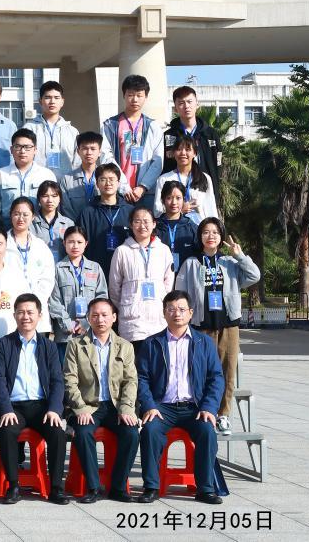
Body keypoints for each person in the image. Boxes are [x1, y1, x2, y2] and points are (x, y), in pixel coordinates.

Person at [136, 290, 229, 505]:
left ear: (190, 313)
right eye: (171, 309)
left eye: (181, 309)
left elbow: (216, 378)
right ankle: (151, 487)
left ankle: (205, 489)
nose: (176, 314)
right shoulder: (152, 343)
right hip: (163, 407)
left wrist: (209, 407)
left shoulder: (204, 342)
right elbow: (141, 378)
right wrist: (149, 405)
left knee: (207, 431)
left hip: (194, 407)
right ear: (164, 313)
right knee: (150, 431)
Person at [176, 218, 261, 434]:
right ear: (200, 236)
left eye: (215, 232)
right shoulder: (191, 263)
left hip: (228, 324)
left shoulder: (230, 262)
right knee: (200, 371)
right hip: (200, 326)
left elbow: (254, 276)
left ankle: (223, 415)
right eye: (206, 232)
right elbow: (180, 293)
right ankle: (204, 412)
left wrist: (240, 255)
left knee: (227, 369)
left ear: (221, 236)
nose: (211, 236)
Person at [0, 294, 70, 505]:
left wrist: (54, 409)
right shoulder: (3, 345)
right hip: (14, 407)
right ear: (14, 315)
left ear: (39, 315)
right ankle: (13, 486)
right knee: (6, 431)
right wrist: (5, 409)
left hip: (42, 407)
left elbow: (57, 381)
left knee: (57, 433)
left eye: (30, 312)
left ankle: (56, 488)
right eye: (21, 312)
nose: (26, 317)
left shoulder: (48, 346)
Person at [63, 297, 139, 504]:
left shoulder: (125, 346)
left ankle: (118, 487)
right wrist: (80, 408)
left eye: (105, 315)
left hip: (116, 406)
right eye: (95, 315)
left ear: (114, 317)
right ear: (88, 318)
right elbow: (70, 380)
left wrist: (126, 409)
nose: (100, 319)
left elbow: (131, 381)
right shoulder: (76, 345)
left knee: (131, 434)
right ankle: (93, 487)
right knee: (83, 432)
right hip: (88, 406)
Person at [108, 206, 175, 351]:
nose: (142, 226)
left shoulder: (163, 250)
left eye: (146, 221)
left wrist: (161, 302)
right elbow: (114, 287)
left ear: (154, 224)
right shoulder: (122, 251)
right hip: (133, 322)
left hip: (158, 320)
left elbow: (168, 282)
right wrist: (127, 306)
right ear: (131, 225)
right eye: (137, 221)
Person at [99, 74, 164, 205]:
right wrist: (124, 187)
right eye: (130, 95)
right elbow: (106, 158)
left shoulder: (153, 127)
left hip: (146, 194)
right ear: (124, 95)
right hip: (117, 192)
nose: (135, 99)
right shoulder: (110, 125)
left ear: (146, 97)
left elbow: (158, 161)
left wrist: (143, 187)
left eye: (139, 95)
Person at [49, 226, 109, 360]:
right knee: (67, 371)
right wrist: (67, 324)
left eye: (79, 242)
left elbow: (102, 297)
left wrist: (87, 322)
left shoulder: (95, 268)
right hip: (66, 335)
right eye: (71, 242)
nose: (75, 246)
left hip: (91, 332)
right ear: (64, 243)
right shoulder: (57, 269)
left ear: (86, 244)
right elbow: (54, 301)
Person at [163, 85, 223, 206]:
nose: (186, 106)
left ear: (197, 104)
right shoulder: (169, 136)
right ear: (175, 108)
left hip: (205, 192)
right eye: (181, 103)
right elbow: (165, 166)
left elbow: (218, 164)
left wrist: (215, 192)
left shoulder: (211, 134)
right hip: (176, 197)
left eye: (190, 102)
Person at [4, 199, 56, 335]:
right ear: (10, 215)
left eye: (25, 214)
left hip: (37, 310)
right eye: (16, 214)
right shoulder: (2, 244)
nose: (21, 218)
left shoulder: (41, 246)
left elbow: (48, 278)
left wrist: (34, 301)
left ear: (33, 217)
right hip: (10, 308)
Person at [76, 163, 132, 276]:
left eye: (112, 179)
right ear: (97, 184)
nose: (108, 183)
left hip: (125, 270)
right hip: (94, 270)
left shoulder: (130, 211)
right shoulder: (87, 212)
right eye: (103, 179)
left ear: (118, 183)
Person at [0, 129, 59, 216]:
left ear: (35, 150)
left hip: (38, 224)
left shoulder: (47, 175)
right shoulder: (0, 175)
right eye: (17, 146)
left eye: (27, 147)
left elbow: (53, 207)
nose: (22, 151)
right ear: (11, 149)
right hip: (7, 223)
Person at [153, 136, 218, 222]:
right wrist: (179, 210)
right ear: (173, 153)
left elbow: (211, 209)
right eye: (179, 149)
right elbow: (157, 211)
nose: (183, 153)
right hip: (173, 227)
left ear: (195, 153)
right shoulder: (164, 179)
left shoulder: (204, 178)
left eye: (187, 149)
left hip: (199, 227)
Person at [23, 81, 80, 174]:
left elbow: (77, 162)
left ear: (62, 102)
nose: (52, 101)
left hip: (65, 182)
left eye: (56, 98)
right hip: (37, 181)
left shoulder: (72, 132)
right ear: (40, 101)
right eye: (47, 97)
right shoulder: (29, 128)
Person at [59, 131, 105, 222]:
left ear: (100, 152)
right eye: (84, 148)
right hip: (76, 228)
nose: (89, 152)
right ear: (78, 151)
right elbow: (66, 209)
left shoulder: (105, 178)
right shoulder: (67, 179)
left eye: (93, 149)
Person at [155, 181, 200, 272]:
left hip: (186, 276)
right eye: (169, 198)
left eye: (178, 198)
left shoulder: (191, 227)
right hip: (159, 275)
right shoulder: (154, 226)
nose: (174, 202)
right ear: (163, 200)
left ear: (183, 200)